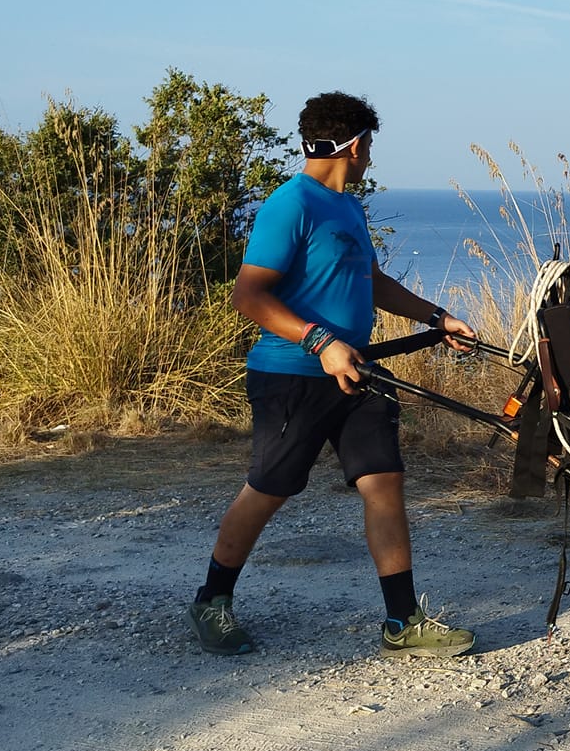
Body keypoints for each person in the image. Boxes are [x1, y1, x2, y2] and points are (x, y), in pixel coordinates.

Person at [188, 91, 479, 660]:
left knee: (384, 481)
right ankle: (211, 600)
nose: (370, 159)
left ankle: (402, 621)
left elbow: (369, 281)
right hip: (292, 374)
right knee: (270, 489)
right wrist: (321, 342)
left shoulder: (347, 207)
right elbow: (247, 295)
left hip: (357, 373)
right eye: (368, 146)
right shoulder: (291, 204)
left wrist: (437, 318)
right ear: (353, 144)